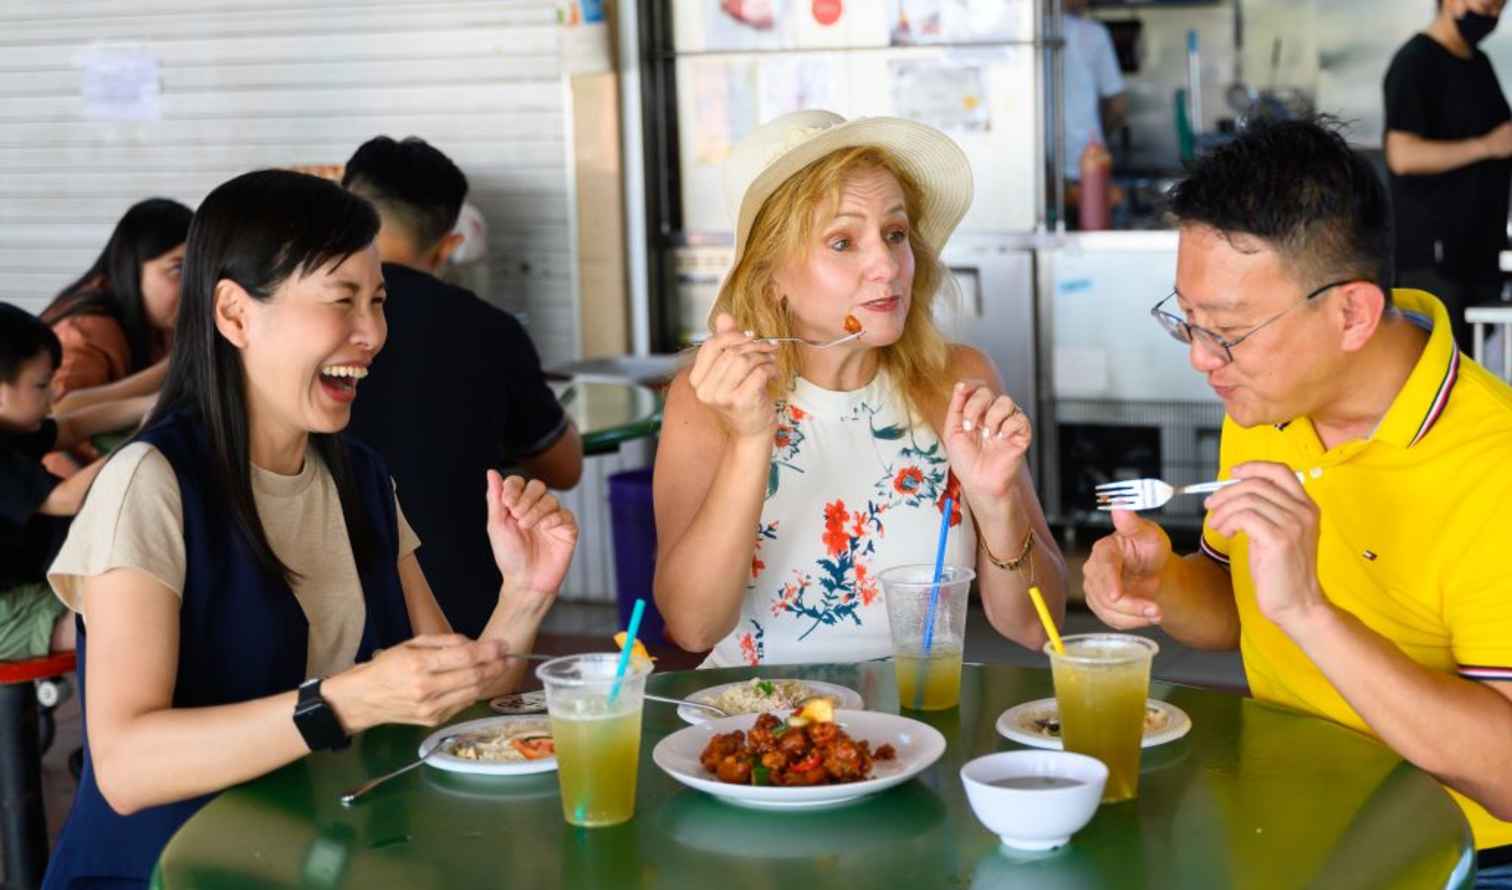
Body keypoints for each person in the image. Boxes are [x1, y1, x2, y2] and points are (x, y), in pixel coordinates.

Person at [40, 170, 577, 889]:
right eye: (342, 300)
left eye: (378, 301)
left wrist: (524, 595)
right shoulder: (151, 485)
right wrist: (346, 699)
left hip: (315, 855)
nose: (373, 334)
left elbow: (451, 713)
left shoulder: (358, 478)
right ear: (234, 314)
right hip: (168, 870)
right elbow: (126, 768)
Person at [1080, 116, 1512, 884]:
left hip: (1457, 855)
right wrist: (1164, 583)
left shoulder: (1493, 464)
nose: (1201, 358)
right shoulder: (1262, 398)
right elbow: (1240, 610)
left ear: (1352, 313)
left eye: (1230, 331)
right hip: (1281, 815)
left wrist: (1311, 612)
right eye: (1189, 320)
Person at [653, 110, 1068, 666]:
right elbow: (693, 627)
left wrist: (997, 507)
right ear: (770, 274)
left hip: (918, 724)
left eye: (895, 234)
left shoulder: (958, 380)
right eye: (843, 242)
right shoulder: (708, 398)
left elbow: (1037, 628)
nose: (887, 265)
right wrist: (752, 438)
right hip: (757, 731)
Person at [341, 136, 583, 638]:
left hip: (344, 614)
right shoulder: (488, 329)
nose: (368, 332)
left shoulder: (310, 332)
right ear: (449, 241)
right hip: (466, 606)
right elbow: (563, 464)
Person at [0, 303, 151, 661]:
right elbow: (67, 498)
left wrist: (151, 404)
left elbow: (75, 426)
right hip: (8, 613)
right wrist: (144, 439)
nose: (53, 396)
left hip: (30, 578)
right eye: (41, 386)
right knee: (124, 619)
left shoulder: (13, 426)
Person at [1383, 0, 1512, 352]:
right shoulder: (1415, 63)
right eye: (1486, 6)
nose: (1492, 17)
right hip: (1435, 258)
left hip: (1479, 250)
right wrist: (1488, 146)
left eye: (1499, 9)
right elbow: (1402, 154)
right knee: (1441, 364)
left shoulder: (1478, 63)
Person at [38, 198, 192, 475]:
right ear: (132, 266)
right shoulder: (86, 329)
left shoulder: (153, 319)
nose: (192, 287)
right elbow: (55, 414)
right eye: (178, 269)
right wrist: (171, 367)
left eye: (196, 271)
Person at [1055, 0, 1127, 184]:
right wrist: (1098, 138)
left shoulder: (1024, 33)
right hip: (1085, 161)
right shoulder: (1094, 34)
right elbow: (1118, 105)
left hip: (1031, 160)